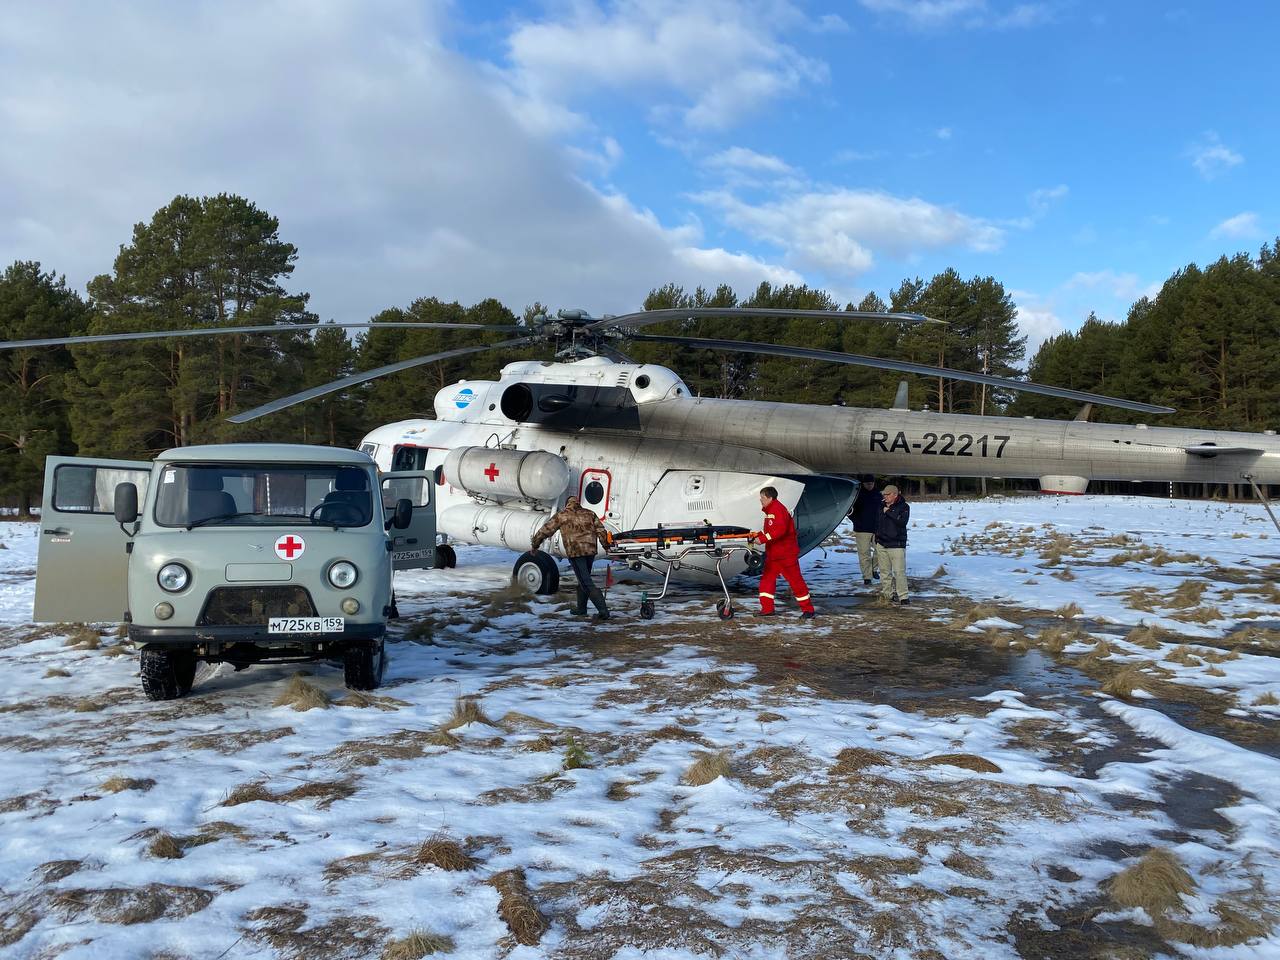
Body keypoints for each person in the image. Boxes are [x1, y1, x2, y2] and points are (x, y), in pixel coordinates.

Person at [531, 495, 612, 619]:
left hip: (576, 552)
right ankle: (581, 609)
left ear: (566, 503)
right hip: (590, 552)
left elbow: (546, 530)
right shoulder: (590, 513)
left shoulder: (562, 515)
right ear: (578, 503)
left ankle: (603, 612)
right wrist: (606, 546)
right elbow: (601, 531)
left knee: (586, 582)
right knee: (583, 580)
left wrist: (535, 544)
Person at [752, 486, 816, 619]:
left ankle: (808, 610)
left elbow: (779, 531)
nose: (760, 500)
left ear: (769, 498)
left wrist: (762, 538)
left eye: (762, 498)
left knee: (795, 582)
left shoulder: (777, 510)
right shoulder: (772, 510)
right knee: (767, 581)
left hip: (785, 555)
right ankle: (767, 609)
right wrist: (757, 535)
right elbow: (773, 530)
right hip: (775, 554)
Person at [875, 484, 910, 605]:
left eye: (887, 494)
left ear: (895, 495)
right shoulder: (880, 506)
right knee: (884, 572)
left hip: (896, 545)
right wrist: (877, 538)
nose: (885, 496)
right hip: (882, 544)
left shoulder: (904, 507)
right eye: (884, 494)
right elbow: (877, 522)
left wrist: (889, 511)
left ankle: (903, 597)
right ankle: (887, 595)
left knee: (899, 572)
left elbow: (902, 522)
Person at [848, 473, 882, 586]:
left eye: (871, 483)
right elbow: (849, 511)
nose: (869, 485)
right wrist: (856, 521)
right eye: (867, 483)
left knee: (880, 552)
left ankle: (874, 570)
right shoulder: (858, 495)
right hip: (862, 529)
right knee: (864, 554)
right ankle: (867, 577)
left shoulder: (879, 494)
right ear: (863, 484)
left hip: (877, 529)